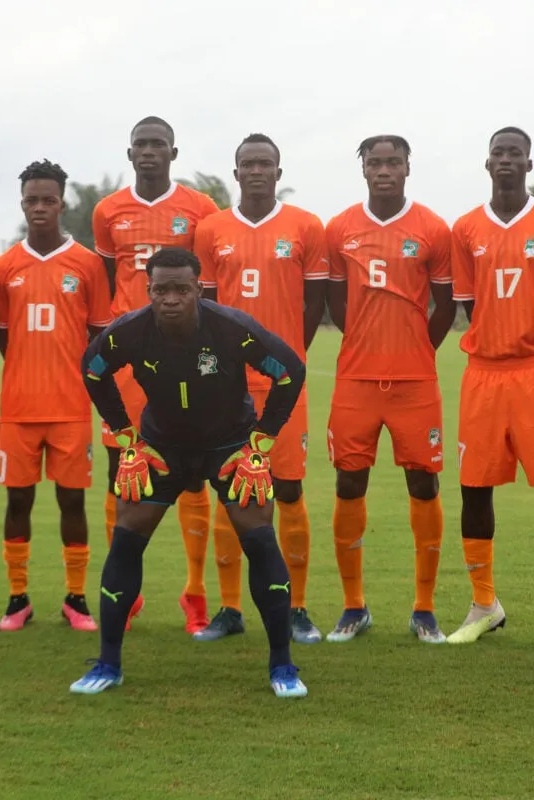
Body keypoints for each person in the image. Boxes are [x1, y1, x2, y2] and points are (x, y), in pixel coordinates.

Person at [71, 247, 308, 699]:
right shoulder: (130, 332)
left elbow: (290, 371)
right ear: (149, 290)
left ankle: (283, 665)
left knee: (259, 538)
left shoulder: (231, 328)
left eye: (182, 289)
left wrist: (260, 444)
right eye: (161, 289)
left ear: (198, 289)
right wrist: (125, 439)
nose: (171, 298)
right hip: (161, 447)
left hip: (229, 445)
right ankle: (107, 664)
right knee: (126, 537)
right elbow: (93, 369)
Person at [448, 127, 534, 655]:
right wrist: (496, 348)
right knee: (473, 488)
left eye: (515, 153)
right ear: (487, 164)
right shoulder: (466, 228)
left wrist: (531, 354)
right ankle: (485, 604)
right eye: (498, 152)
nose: (506, 160)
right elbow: (468, 305)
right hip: (482, 373)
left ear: (529, 163)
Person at [193, 133, 329, 644]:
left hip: (281, 383)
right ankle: (229, 609)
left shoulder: (305, 226)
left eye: (264, 163)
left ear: (278, 171)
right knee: (229, 488)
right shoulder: (211, 231)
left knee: (289, 487)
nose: (255, 170)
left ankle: (296, 608)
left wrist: (289, 356)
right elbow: (202, 310)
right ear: (236, 173)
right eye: (247, 163)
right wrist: (211, 370)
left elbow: (314, 303)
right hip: (227, 385)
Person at [322, 135, 456, 643]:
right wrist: (363, 342)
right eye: (374, 162)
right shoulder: (340, 228)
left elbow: (445, 305)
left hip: (415, 382)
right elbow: (336, 301)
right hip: (356, 380)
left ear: (407, 168)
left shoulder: (432, 229)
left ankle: (424, 609)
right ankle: (354, 606)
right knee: (348, 483)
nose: (384, 170)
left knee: (423, 483)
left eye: (393, 162)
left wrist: (419, 349)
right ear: (363, 170)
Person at [91, 116, 221, 633]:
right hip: (130, 359)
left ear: (173, 152)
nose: (149, 153)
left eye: (158, 145)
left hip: (184, 362)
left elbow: (206, 286)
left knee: (191, 475)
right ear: (130, 155)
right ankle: (125, 593)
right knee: (120, 469)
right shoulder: (108, 211)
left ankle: (195, 591)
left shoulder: (200, 209)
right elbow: (107, 284)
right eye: (141, 145)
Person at [0, 160, 114, 632]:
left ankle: (76, 599)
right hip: (19, 409)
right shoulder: (4, 267)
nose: (40, 207)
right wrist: (27, 368)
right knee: (17, 503)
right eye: (31, 200)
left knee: (72, 503)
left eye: (48, 200)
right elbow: (3, 336)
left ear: (62, 203)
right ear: (21, 203)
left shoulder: (85, 264)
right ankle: (17, 598)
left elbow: (99, 335)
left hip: (69, 409)